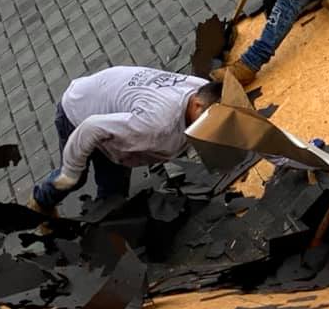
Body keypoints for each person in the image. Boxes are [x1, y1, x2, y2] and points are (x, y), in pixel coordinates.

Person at [29, 67, 221, 214]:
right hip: (76, 111)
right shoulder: (157, 125)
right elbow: (89, 128)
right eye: (208, 122)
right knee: (74, 180)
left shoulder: (201, 88)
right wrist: (71, 173)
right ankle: (39, 204)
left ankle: (104, 225)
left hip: (108, 105)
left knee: (115, 193)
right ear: (197, 104)